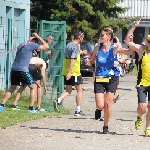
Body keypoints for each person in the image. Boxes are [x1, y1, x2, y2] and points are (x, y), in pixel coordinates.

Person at [116, 19, 150, 137]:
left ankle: (148, 128)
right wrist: (133, 27)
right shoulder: (142, 50)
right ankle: (140, 116)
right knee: (142, 107)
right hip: (142, 83)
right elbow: (127, 41)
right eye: (149, 41)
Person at [0, 33, 49, 113]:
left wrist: (29, 40)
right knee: (33, 87)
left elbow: (26, 47)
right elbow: (46, 46)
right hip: (23, 70)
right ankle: (31, 108)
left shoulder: (21, 45)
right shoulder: (32, 45)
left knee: (12, 88)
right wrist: (38, 37)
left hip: (14, 69)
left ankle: (2, 105)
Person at [86, 28, 121, 133]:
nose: (100, 37)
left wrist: (119, 61)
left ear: (109, 37)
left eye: (102, 35)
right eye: (100, 35)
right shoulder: (97, 47)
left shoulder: (114, 48)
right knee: (100, 105)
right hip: (100, 77)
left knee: (107, 104)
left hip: (111, 77)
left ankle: (105, 126)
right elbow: (92, 59)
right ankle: (98, 110)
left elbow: (125, 54)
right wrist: (90, 61)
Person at [53, 30, 85, 116]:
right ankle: (78, 110)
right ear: (79, 37)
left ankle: (58, 100)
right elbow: (72, 59)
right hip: (74, 72)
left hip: (66, 70)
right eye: (82, 37)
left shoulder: (68, 45)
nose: (83, 39)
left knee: (68, 90)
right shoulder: (75, 47)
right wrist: (70, 72)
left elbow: (74, 54)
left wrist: (82, 52)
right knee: (79, 90)